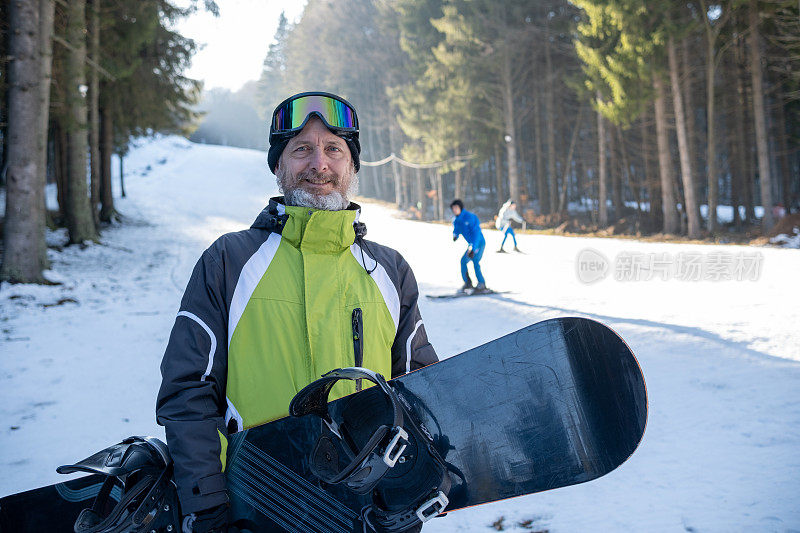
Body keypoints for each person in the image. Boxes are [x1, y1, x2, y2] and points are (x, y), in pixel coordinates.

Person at [156, 91, 438, 533]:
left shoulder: (391, 271)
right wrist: (206, 504)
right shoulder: (228, 262)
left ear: (352, 166)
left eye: (333, 149)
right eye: (301, 149)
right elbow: (189, 389)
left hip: (367, 511)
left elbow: (420, 391)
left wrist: (411, 490)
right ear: (278, 166)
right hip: (256, 507)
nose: (318, 165)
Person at [450, 199, 487, 293]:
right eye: (453, 208)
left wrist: (473, 248)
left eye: (456, 208)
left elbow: (476, 233)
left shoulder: (470, 217)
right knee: (463, 261)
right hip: (471, 244)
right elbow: (457, 229)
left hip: (479, 243)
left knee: (475, 261)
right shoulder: (456, 220)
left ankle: (481, 283)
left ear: (461, 208)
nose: (454, 210)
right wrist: (455, 235)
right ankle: (468, 283)